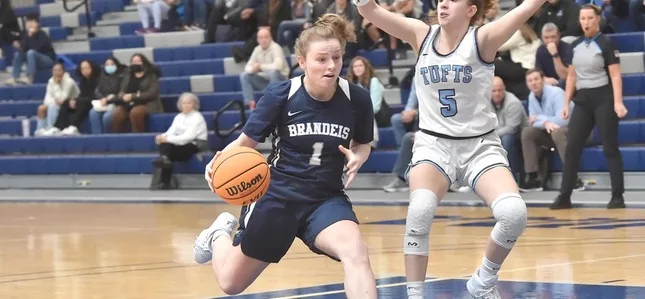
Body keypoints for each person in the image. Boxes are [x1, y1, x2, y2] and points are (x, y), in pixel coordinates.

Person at [355, 0, 547, 297]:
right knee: (420, 209)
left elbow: (526, 8)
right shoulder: (421, 33)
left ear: (471, 10)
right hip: (434, 144)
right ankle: (415, 294)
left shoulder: (482, 38)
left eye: (453, 0)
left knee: (513, 213)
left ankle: (483, 281)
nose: (443, 3)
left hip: (479, 146)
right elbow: (370, 12)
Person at [193, 14, 378, 298]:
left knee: (356, 253)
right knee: (231, 284)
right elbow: (246, 143)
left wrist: (358, 157)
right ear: (302, 62)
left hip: (325, 198)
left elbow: (363, 144)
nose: (331, 66)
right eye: (321, 59)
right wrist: (218, 162)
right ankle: (218, 234)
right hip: (277, 194)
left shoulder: (358, 98)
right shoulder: (281, 94)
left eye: (337, 58)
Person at [550, 4, 627, 210]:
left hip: (603, 97)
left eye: (589, 18)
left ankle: (617, 195)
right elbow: (572, 76)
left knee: (610, 147)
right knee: (572, 147)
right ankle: (564, 196)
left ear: (597, 20)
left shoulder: (606, 43)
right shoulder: (574, 45)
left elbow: (615, 75)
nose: (585, 22)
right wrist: (566, 103)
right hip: (582, 100)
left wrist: (618, 102)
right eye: (582, 19)